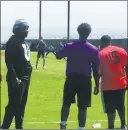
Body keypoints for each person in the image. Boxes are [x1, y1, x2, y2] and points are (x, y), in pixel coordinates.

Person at [55, 23, 100, 129]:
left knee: (66, 103)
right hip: (85, 80)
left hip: (71, 78)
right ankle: (81, 128)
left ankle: (62, 125)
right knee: (83, 107)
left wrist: (60, 50)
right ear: (89, 33)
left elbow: (58, 56)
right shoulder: (93, 49)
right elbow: (95, 69)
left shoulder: (70, 46)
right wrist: (97, 85)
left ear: (78, 32)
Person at [1, 19, 32, 129]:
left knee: (21, 105)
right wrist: (14, 78)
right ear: (17, 29)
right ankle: (5, 127)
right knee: (14, 104)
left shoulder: (23, 41)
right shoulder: (13, 42)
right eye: (24, 28)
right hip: (17, 77)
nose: (26, 31)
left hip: (25, 77)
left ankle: (19, 126)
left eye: (27, 28)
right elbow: (9, 62)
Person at [95, 35, 128, 129]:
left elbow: (98, 72)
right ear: (110, 42)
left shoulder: (101, 53)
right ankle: (123, 124)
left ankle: (111, 126)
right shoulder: (122, 51)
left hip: (107, 84)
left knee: (110, 107)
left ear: (102, 43)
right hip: (121, 83)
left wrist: (97, 85)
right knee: (121, 105)